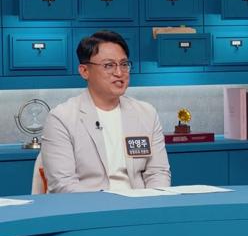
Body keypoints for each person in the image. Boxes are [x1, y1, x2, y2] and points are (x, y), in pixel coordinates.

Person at [41, 31, 171, 193]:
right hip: (89, 205)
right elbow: (63, 184)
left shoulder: (146, 113)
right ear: (84, 71)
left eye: (124, 64)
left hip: (140, 203)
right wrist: (106, 205)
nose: (119, 73)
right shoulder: (62, 118)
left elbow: (158, 173)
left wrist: (153, 202)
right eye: (109, 65)